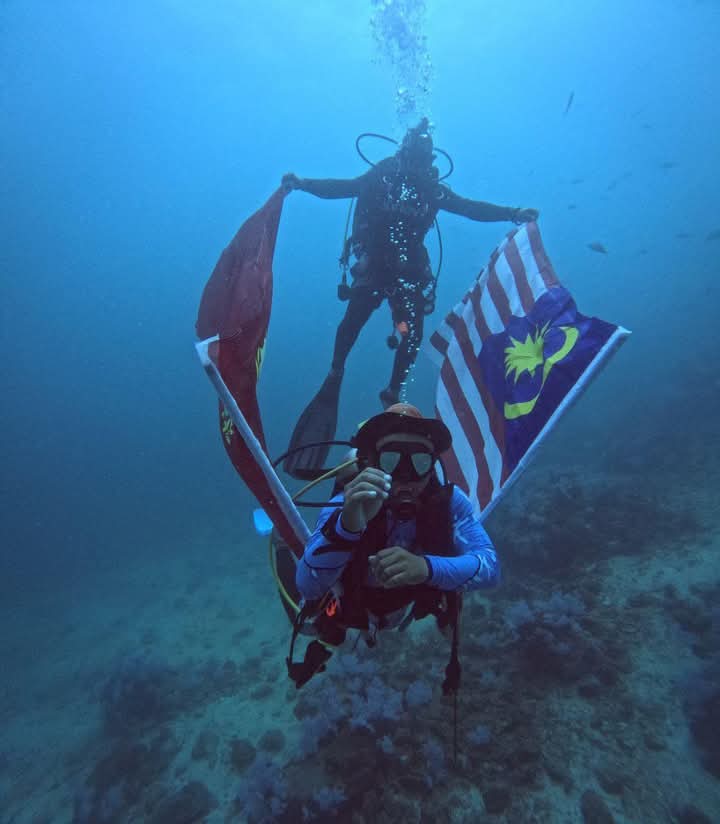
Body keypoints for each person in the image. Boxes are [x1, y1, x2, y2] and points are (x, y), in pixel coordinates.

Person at [282, 118, 539, 476]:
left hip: (408, 271)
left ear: (428, 163)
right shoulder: (381, 175)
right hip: (374, 265)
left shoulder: (433, 190)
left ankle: (393, 388)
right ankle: (337, 370)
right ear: (402, 155)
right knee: (353, 322)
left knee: (410, 332)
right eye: (411, 160)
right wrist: (303, 184)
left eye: (421, 163)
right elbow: (344, 188)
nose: (415, 169)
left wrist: (511, 214)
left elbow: (469, 208)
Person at [286, 403, 499, 690]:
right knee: (311, 623)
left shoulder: (450, 503)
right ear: (373, 464)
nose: (406, 476)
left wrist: (426, 568)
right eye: (391, 460)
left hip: (399, 609)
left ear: (432, 466)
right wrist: (348, 525)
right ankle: (282, 545)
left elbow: (491, 567)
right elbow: (307, 586)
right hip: (348, 605)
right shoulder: (349, 501)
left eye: (420, 461)